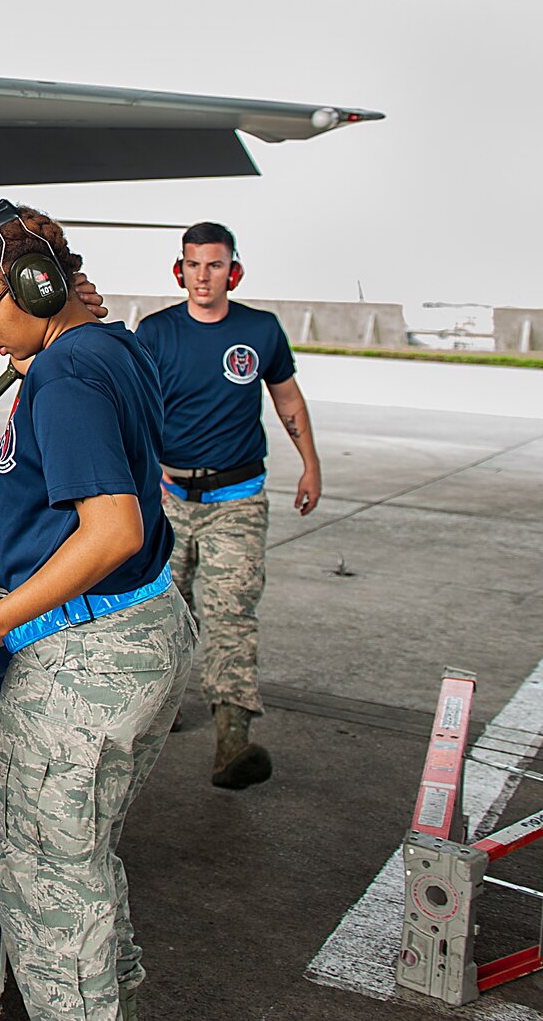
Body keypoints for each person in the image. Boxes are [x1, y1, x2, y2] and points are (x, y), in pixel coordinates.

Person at [0, 200, 194, 1021]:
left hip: (88, 656)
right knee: (84, 862)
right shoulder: (111, 344)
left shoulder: (66, 372)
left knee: (46, 884)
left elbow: (114, 527)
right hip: (145, 630)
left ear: (36, 285)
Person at [135, 222, 321, 790]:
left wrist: (310, 462)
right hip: (170, 498)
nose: (204, 276)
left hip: (237, 499)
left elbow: (285, 395)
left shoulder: (259, 331)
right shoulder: (157, 332)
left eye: (215, 265)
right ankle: (153, 714)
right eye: (194, 264)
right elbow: (137, 408)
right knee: (159, 614)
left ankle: (232, 740)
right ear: (180, 270)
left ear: (233, 270)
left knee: (232, 614)